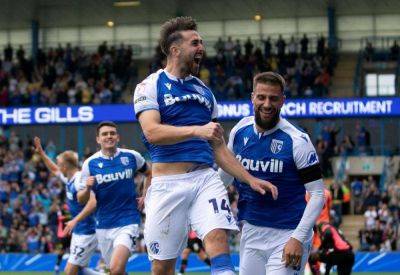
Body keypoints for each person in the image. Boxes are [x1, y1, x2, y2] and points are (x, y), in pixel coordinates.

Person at [133, 16, 277, 275]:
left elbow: (219, 149)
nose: (201, 48)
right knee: (162, 268)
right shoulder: (149, 86)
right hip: (167, 184)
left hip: (204, 178)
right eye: (195, 43)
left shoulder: (205, 93)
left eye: (201, 42)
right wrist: (197, 130)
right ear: (175, 49)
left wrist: (249, 179)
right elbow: (152, 132)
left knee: (218, 240)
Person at [218, 72, 325, 275]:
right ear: (252, 98)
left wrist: (298, 238)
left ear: (283, 101)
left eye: (273, 98)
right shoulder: (240, 130)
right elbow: (225, 174)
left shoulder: (298, 141)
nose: (267, 104)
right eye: (261, 97)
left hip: (288, 233)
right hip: (250, 230)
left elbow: (318, 194)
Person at [77, 121, 151, 275]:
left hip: (128, 221)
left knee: (116, 269)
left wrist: (145, 195)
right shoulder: (89, 164)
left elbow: (149, 173)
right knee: (116, 271)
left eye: (112, 133)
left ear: (117, 137)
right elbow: (81, 199)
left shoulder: (131, 156)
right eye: (105, 134)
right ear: (98, 139)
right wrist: (88, 188)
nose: (109, 136)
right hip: (103, 224)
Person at [33, 137, 103, 275]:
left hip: (87, 231)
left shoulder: (79, 180)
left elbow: (93, 202)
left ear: (65, 166)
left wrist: (75, 220)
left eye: (60, 164)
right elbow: (54, 170)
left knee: (70, 271)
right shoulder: (69, 178)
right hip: (79, 230)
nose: (58, 167)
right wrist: (41, 153)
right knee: (78, 270)